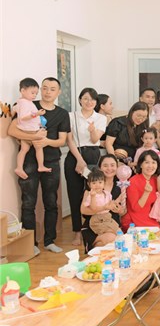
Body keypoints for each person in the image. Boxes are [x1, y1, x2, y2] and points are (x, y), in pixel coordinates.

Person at [8, 77, 70, 255]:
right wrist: (34, 138)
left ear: (58, 92)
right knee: (28, 203)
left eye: (52, 89)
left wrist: (46, 141)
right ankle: (30, 244)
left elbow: (62, 141)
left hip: (51, 162)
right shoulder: (28, 104)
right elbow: (12, 130)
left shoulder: (62, 114)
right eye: (45, 88)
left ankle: (49, 240)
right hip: (28, 162)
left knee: (51, 202)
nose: (47, 92)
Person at [64, 87, 107, 246]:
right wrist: (79, 160)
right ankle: (77, 232)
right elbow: (69, 140)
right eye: (86, 98)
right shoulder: (71, 116)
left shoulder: (101, 118)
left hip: (93, 155)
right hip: (74, 155)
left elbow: (95, 140)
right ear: (80, 100)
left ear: (96, 102)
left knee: (93, 193)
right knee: (74, 195)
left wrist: (92, 130)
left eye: (93, 99)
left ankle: (91, 228)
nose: (89, 102)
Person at [81, 154, 125, 251]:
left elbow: (123, 212)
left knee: (114, 241)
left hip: (112, 224)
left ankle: (96, 253)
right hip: (94, 226)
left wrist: (120, 210)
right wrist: (104, 208)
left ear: (117, 167)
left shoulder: (120, 186)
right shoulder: (92, 187)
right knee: (110, 240)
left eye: (112, 165)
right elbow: (83, 211)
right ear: (100, 168)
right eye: (105, 165)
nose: (109, 168)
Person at [14, 78, 50, 177]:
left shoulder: (21, 102)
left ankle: (19, 168)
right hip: (31, 131)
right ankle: (41, 166)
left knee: (23, 150)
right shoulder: (25, 103)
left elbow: (15, 109)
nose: (34, 95)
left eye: (36, 93)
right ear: (23, 91)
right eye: (32, 93)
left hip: (25, 130)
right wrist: (37, 114)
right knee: (39, 147)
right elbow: (24, 117)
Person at [120, 149, 160, 230]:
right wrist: (146, 193)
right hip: (134, 220)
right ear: (141, 165)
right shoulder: (133, 181)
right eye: (147, 162)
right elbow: (136, 208)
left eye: (153, 162)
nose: (150, 166)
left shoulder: (155, 180)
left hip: (151, 217)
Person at [80, 168, 120, 241]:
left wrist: (114, 205)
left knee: (119, 232)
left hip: (108, 217)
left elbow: (111, 203)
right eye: (94, 183)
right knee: (110, 233)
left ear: (104, 183)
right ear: (89, 184)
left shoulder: (107, 194)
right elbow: (93, 209)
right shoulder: (90, 195)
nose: (97, 185)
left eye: (100, 182)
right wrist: (93, 197)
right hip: (97, 219)